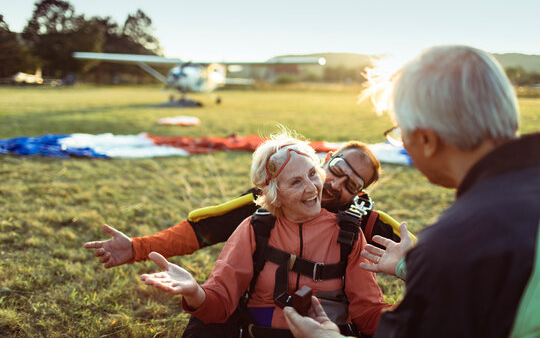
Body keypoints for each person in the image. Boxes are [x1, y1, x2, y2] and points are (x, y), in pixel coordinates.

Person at [283, 45, 540, 337]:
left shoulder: (457, 243)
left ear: (427, 140)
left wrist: (323, 336)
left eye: (400, 132)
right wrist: (410, 266)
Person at [139, 134, 392, 337]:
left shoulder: (355, 230)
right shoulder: (255, 226)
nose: (312, 188)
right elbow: (207, 233)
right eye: (295, 182)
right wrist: (194, 291)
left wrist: (418, 313)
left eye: (312, 174)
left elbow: (369, 311)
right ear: (272, 193)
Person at [84, 141, 410, 268]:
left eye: (351, 184)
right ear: (326, 159)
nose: (337, 184)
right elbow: (205, 229)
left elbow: (424, 260)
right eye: (337, 171)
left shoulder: (365, 222)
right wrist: (137, 247)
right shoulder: (273, 195)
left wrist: (406, 266)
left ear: (358, 195)